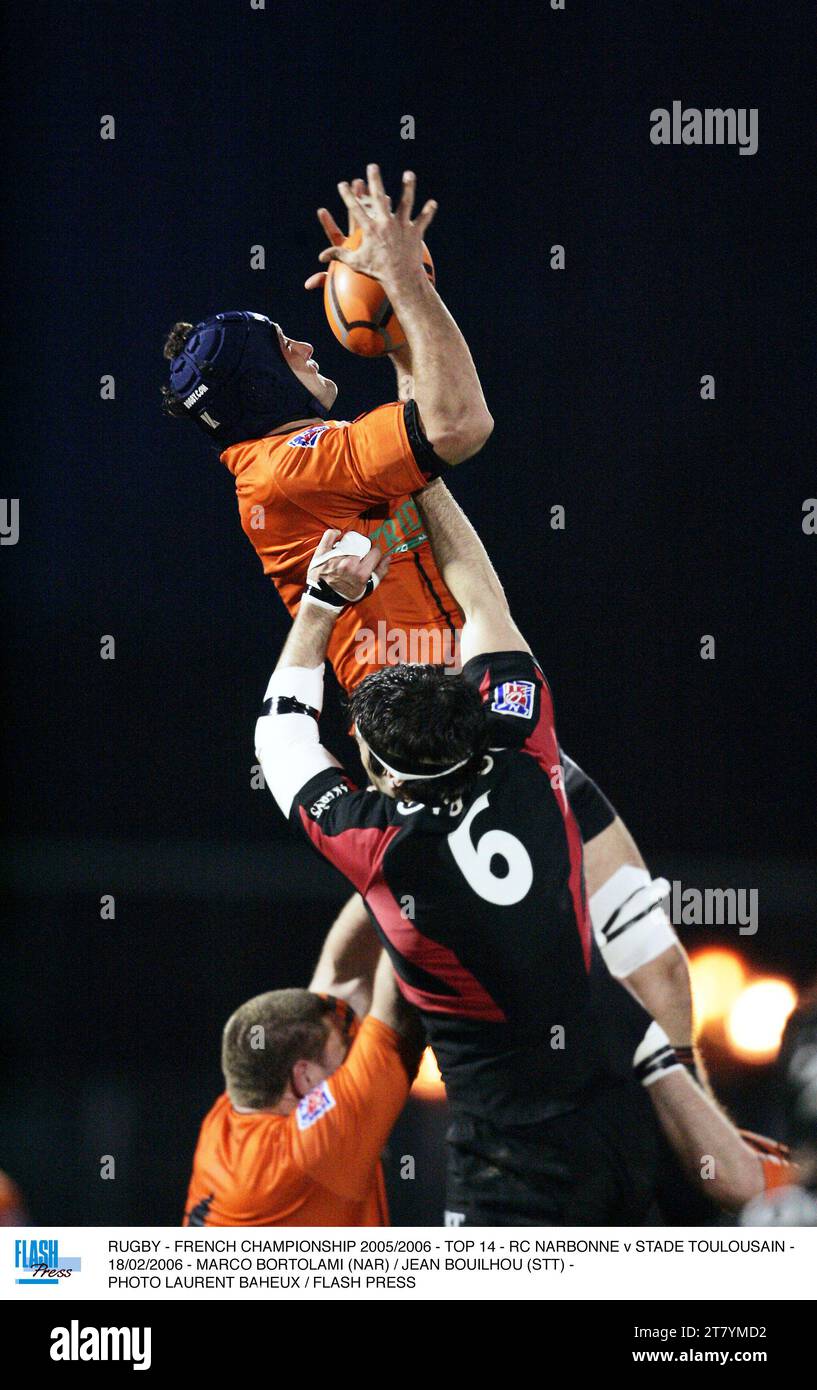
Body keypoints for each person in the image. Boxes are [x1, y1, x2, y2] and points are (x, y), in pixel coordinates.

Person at [162, 166, 702, 1092]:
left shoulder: (297, 465)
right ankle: (319, 1171)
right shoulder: (291, 466)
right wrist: (405, 287)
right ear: (259, 379)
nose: (305, 342)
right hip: (428, 744)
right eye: (282, 346)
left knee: (646, 964)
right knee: (421, 1010)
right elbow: (458, 423)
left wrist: (405, 317)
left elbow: (424, 436)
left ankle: (705, 1167)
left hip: (463, 715)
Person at [251, 502, 784, 1224]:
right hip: (620, 1104)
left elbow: (280, 732)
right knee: (741, 1221)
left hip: (510, 1159)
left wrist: (321, 603)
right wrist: (425, 476)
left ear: (386, 775)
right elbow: (480, 594)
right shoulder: (526, 749)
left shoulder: (371, 842)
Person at [184, 934, 422, 1227]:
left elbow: (341, 977)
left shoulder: (228, 1114)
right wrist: (409, 900)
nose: (353, 1053)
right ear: (304, 1075)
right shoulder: (307, 1154)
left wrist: (382, 891)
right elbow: (397, 1009)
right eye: (345, 1049)